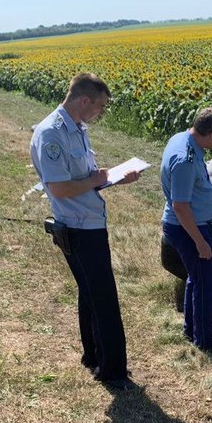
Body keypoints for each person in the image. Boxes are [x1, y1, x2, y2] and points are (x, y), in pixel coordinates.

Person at [30, 73, 140, 390]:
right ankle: (113, 370)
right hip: (79, 228)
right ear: (84, 101)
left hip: (88, 221)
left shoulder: (76, 128)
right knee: (103, 297)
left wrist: (112, 178)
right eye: (100, 106)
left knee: (90, 293)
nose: (101, 113)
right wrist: (95, 180)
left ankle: (93, 357)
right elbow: (60, 188)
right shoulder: (52, 133)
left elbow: (84, 176)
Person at [161, 107, 212, 353]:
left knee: (196, 277)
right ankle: (205, 340)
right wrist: (200, 241)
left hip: (189, 225)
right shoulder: (186, 159)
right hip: (187, 228)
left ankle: (192, 330)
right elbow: (180, 206)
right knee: (206, 283)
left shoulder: (180, 138)